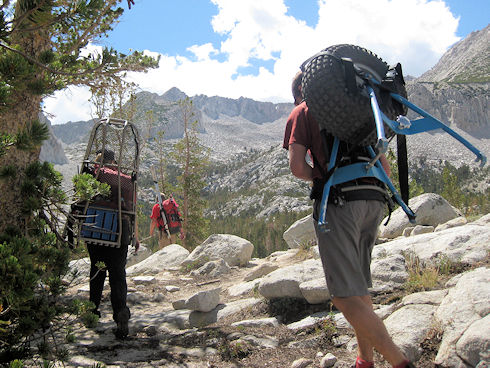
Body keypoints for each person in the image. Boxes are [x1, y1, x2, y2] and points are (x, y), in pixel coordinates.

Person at [283, 71, 414, 368]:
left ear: (300, 91)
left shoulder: (302, 111)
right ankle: (364, 360)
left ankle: (399, 362)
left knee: (344, 296)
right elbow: (386, 169)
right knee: (358, 288)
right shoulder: (359, 109)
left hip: (340, 202)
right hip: (374, 199)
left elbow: (296, 166)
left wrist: (322, 176)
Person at [87, 149, 139, 339]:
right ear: (113, 161)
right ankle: (121, 315)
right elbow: (131, 205)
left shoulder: (92, 173)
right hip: (120, 229)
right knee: (117, 273)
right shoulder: (122, 178)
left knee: (97, 270)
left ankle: (92, 312)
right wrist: (134, 235)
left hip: (96, 227)